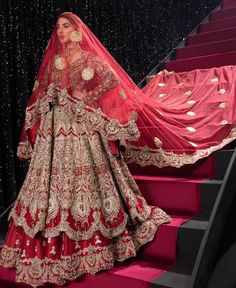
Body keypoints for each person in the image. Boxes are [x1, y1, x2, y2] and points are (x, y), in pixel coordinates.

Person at [0, 12, 171, 287]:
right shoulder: (55, 62)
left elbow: (110, 82)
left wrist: (87, 97)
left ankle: (98, 243)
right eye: (58, 27)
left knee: (87, 183)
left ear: (78, 30)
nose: (60, 31)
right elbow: (42, 91)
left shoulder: (89, 59)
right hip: (55, 131)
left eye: (66, 26)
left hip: (82, 126)